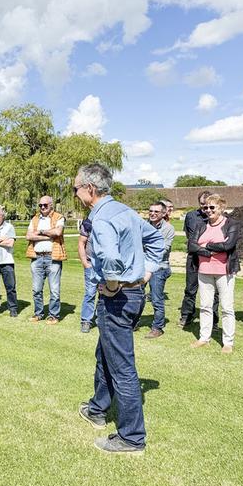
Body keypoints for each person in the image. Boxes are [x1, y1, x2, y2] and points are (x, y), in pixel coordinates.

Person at [74, 164, 164, 455]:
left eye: (76, 188)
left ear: (90, 188)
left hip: (118, 297)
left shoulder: (101, 219)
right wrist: (146, 273)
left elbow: (110, 259)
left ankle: (132, 437)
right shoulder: (126, 211)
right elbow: (157, 241)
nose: (75, 193)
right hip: (135, 294)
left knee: (123, 368)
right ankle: (98, 408)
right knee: (105, 353)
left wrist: (112, 285)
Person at [189, 194, 241, 353]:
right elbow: (192, 246)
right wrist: (206, 251)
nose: (208, 210)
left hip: (224, 271)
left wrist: (206, 246)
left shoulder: (232, 224)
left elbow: (228, 245)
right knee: (205, 306)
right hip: (204, 271)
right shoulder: (200, 225)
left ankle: (228, 342)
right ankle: (204, 338)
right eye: (205, 207)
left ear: (221, 208)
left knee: (226, 307)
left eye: (212, 207)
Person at [25, 196, 67, 324]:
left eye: (45, 205)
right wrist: (47, 236)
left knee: (54, 289)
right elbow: (28, 236)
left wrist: (40, 232)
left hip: (52, 257)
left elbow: (58, 233)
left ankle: (54, 315)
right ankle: (38, 313)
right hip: (37, 257)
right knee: (36, 289)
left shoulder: (59, 217)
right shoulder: (35, 219)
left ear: (51, 205)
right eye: (40, 205)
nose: (42, 207)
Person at [179, 190, 218, 328]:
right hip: (194, 258)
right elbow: (189, 237)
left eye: (208, 205)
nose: (205, 208)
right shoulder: (191, 216)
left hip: (213, 259)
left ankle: (213, 319)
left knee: (214, 291)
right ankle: (186, 315)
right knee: (190, 288)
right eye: (202, 204)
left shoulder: (219, 217)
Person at [145, 202, 176, 339]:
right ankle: (132, 323)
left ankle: (158, 327)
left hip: (159, 268)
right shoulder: (144, 226)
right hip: (142, 266)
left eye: (156, 212)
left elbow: (163, 250)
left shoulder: (168, 229)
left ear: (164, 214)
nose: (152, 213)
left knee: (156, 299)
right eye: (150, 211)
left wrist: (144, 248)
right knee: (136, 296)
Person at [77, 217, 97, 333]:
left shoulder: (110, 220)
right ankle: (86, 320)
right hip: (91, 264)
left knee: (106, 294)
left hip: (106, 265)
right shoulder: (88, 222)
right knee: (90, 293)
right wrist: (85, 262)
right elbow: (81, 243)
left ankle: (102, 319)